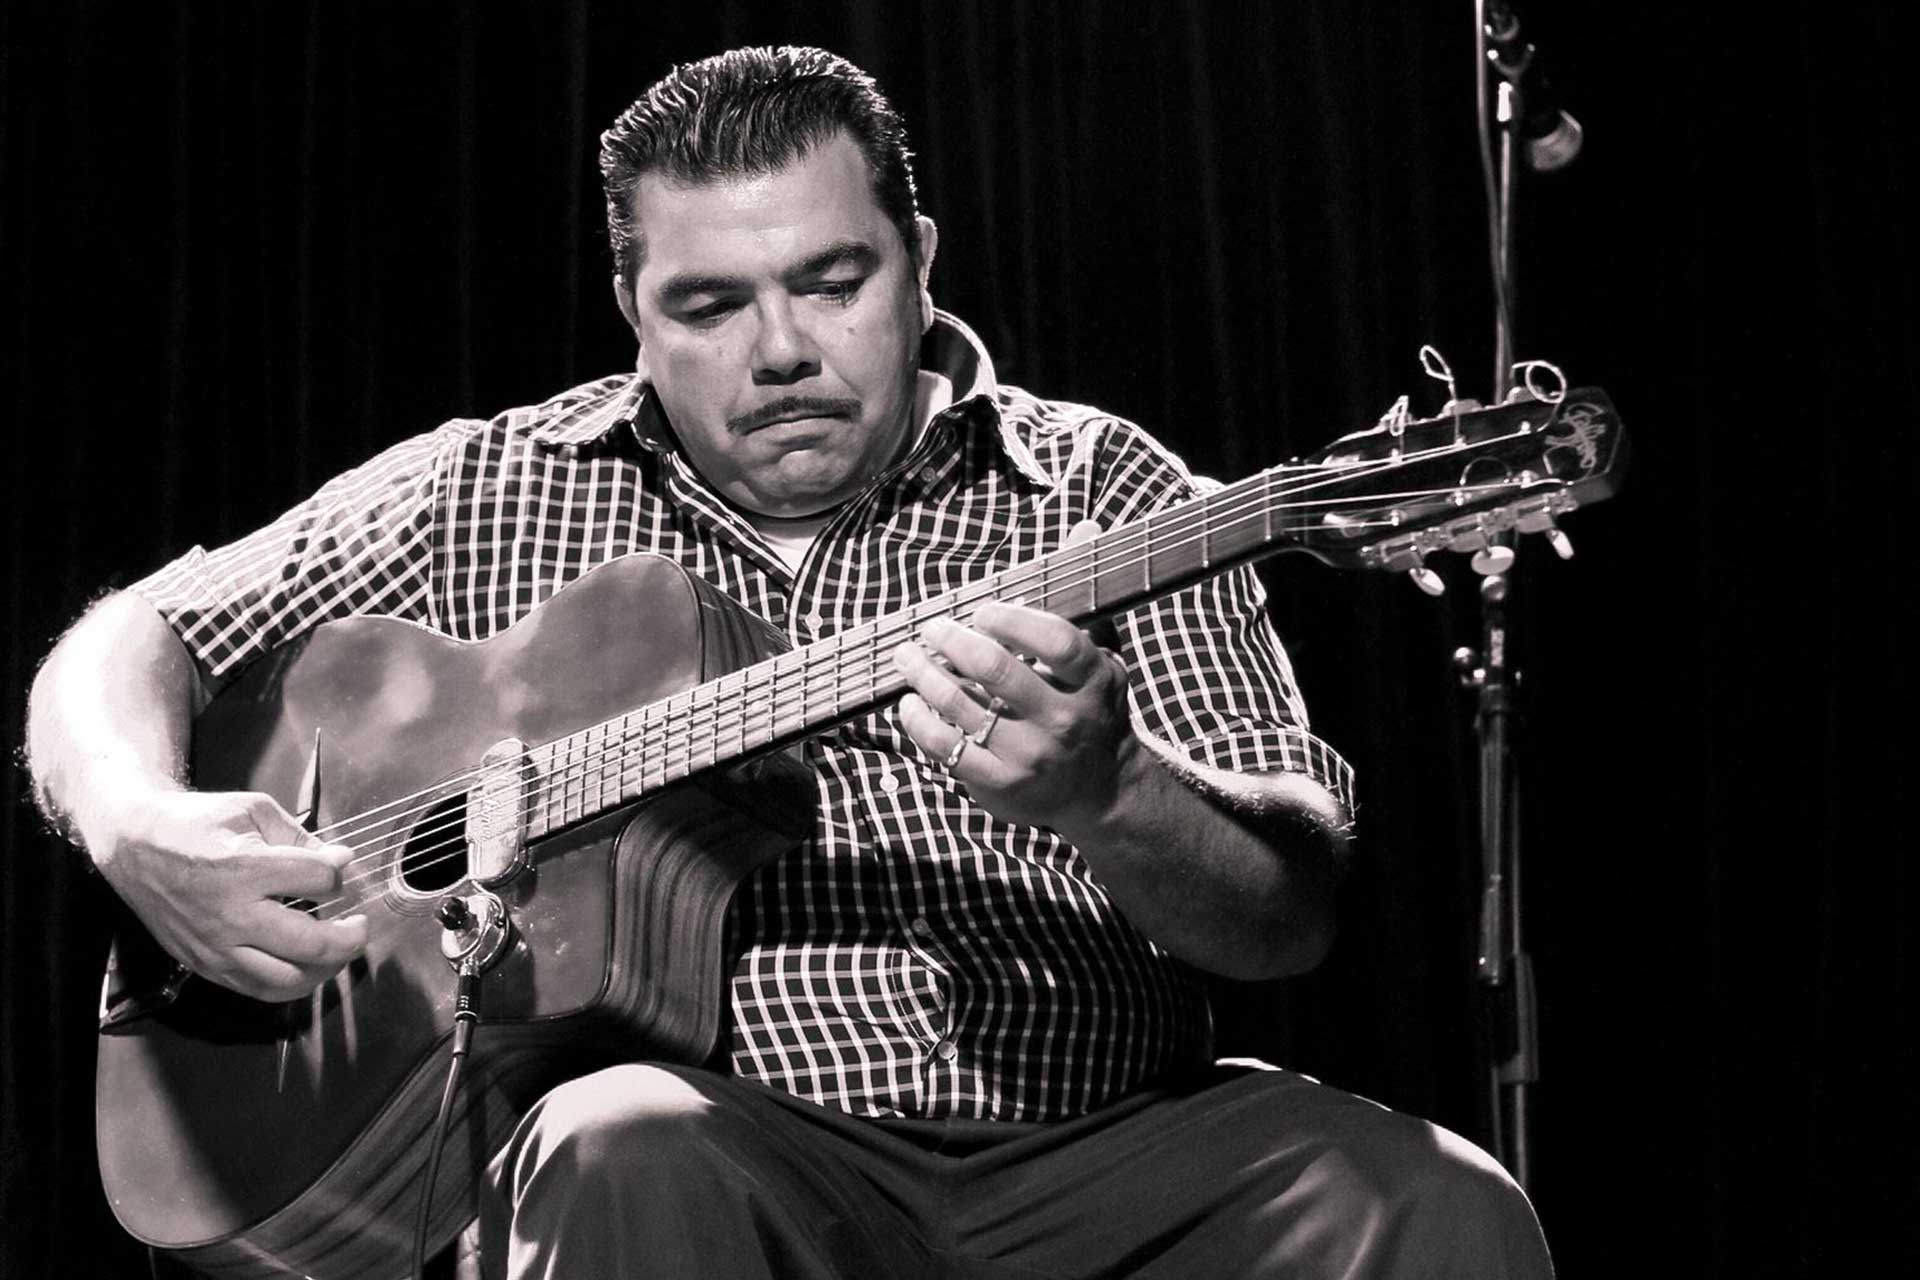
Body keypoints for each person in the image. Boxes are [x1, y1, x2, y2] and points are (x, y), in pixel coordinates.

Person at [27, 45, 1552, 1279]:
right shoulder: (481, 485)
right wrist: (137, 822)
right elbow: (136, 639)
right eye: (709, 305)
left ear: (920, 261)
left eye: (833, 281)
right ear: (631, 312)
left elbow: (1289, 914)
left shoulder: (1109, 492)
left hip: (1101, 1159)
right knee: (616, 1144)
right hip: (721, 1153)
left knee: (1438, 1203)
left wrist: (1113, 792)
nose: (780, 351)